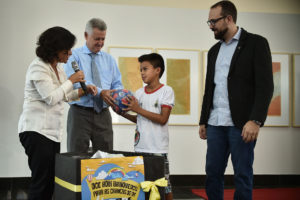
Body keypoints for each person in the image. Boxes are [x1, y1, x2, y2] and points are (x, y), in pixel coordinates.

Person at [199, 1, 274, 199]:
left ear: (229, 19)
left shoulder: (256, 43)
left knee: (242, 175)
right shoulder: (214, 51)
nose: (210, 26)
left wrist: (256, 120)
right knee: (212, 174)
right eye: (209, 21)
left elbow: (266, 86)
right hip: (215, 122)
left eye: (213, 21)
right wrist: (203, 120)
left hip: (242, 124)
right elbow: (209, 88)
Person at [18, 27, 97, 200]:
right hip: (36, 131)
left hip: (52, 134)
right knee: (41, 181)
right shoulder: (38, 67)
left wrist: (83, 91)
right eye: (66, 50)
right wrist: (71, 80)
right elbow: (51, 98)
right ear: (54, 49)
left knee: (49, 182)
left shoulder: (58, 68)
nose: (70, 53)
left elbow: (65, 96)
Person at [116, 53, 175, 200]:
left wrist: (138, 109)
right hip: (140, 148)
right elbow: (140, 119)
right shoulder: (139, 93)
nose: (141, 73)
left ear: (157, 70)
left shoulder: (166, 91)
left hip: (158, 150)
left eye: (145, 69)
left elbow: (163, 119)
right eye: (140, 70)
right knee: (141, 187)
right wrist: (121, 113)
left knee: (164, 187)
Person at [64, 18, 123, 153]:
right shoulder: (73, 56)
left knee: (106, 157)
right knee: (76, 157)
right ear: (86, 35)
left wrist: (118, 96)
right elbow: (77, 82)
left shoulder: (109, 59)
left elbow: (117, 84)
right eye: (97, 39)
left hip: (103, 114)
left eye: (103, 39)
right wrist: (101, 92)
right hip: (79, 113)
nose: (100, 43)